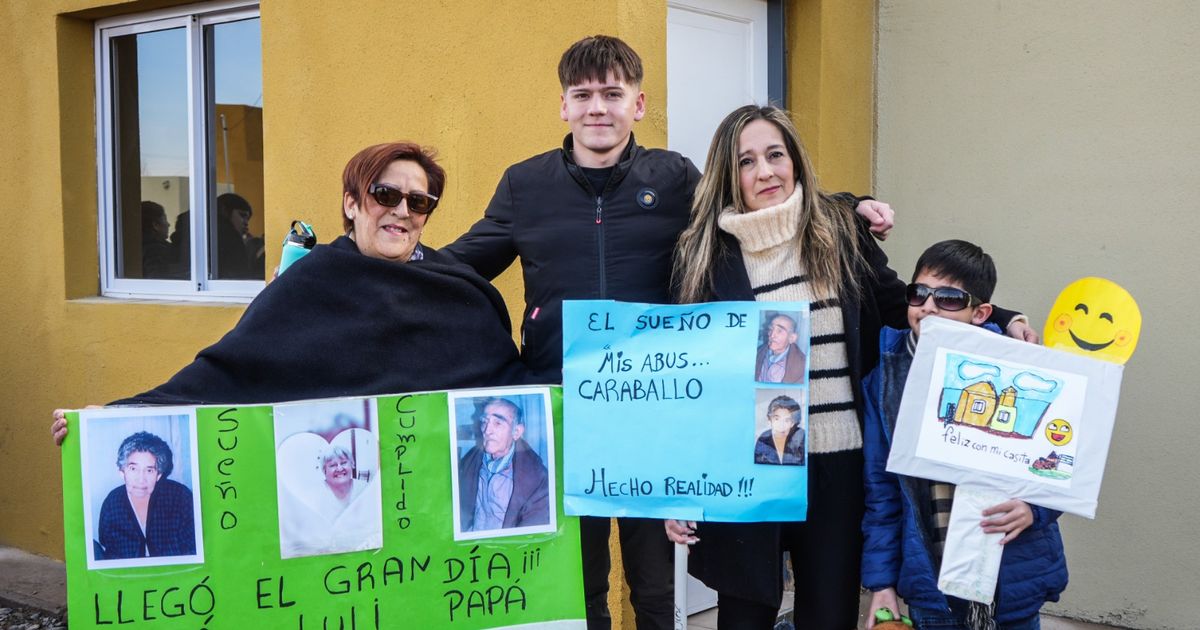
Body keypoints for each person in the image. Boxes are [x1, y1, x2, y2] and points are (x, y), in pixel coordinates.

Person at [443, 35, 895, 630]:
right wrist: (382, 261)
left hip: (655, 416)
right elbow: (460, 267)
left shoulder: (675, 178)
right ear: (563, 106)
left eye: (612, 93)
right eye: (582, 95)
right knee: (576, 582)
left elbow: (759, 204)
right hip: (564, 410)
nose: (597, 108)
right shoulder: (525, 185)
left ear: (639, 102)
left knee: (654, 586)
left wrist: (849, 206)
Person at [663, 106, 1035, 629]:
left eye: (775, 154)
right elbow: (690, 385)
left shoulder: (838, 230)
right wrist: (680, 488)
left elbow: (900, 304)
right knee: (743, 615)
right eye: (747, 162)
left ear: (795, 160)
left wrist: (999, 316)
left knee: (829, 614)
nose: (765, 171)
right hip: (749, 468)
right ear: (730, 174)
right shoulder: (703, 255)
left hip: (840, 466)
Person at [53, 142, 529, 435]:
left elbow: (511, 389)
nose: (402, 210)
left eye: (418, 201)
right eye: (385, 195)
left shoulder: (456, 293)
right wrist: (116, 418)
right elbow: (227, 374)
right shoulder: (310, 284)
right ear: (352, 203)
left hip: (429, 521)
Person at [861, 240, 1067, 629]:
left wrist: (1034, 509)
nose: (929, 306)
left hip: (1011, 576)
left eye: (950, 298)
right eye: (919, 293)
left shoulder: (1021, 370)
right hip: (930, 580)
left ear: (981, 312)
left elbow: (1060, 462)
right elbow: (881, 490)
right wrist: (881, 583)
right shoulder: (886, 380)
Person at [97, 431, 195, 559]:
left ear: (158, 475)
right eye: (133, 469)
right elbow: (108, 546)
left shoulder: (181, 497)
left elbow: (193, 548)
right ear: (122, 472)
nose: (141, 479)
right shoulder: (112, 503)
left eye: (149, 470)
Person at [458, 397, 550, 532]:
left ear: (516, 432)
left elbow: (531, 534)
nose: (487, 430)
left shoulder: (537, 479)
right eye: (485, 421)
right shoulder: (470, 461)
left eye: (498, 423)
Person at [279, 443, 381, 558]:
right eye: (332, 465)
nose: (339, 468)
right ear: (324, 470)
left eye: (343, 462)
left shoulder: (364, 489)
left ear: (352, 464)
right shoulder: (313, 496)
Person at [753, 395, 805, 466]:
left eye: (787, 420)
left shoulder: (801, 436)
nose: (781, 424)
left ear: (793, 423)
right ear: (770, 419)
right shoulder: (763, 438)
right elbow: (758, 467)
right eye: (777, 419)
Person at [755, 313, 806, 383]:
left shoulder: (802, 366)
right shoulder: (759, 352)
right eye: (770, 329)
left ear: (792, 338)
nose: (772, 335)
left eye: (779, 331)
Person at [141, 201, 182, 279]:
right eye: (165, 219)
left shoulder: (135, 248)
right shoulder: (156, 251)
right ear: (155, 225)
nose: (168, 224)